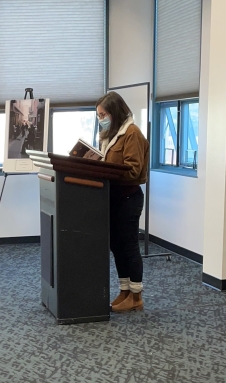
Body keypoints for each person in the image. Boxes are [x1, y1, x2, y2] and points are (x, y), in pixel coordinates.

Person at [74, 91, 150, 313]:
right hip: (113, 197)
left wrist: (104, 172)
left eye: (103, 114)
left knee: (129, 247)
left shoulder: (132, 134)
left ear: (115, 112)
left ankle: (136, 297)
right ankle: (124, 291)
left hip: (128, 198)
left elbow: (133, 169)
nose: (101, 119)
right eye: (98, 115)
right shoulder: (111, 133)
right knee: (116, 247)